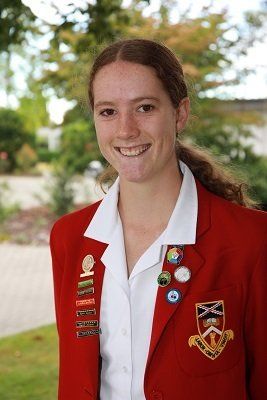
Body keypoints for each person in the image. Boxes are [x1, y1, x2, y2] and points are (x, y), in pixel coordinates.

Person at [50, 38, 267, 400]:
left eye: (145, 107)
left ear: (179, 113)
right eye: (108, 112)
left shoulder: (252, 240)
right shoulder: (70, 238)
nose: (125, 130)